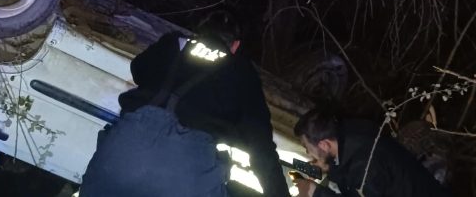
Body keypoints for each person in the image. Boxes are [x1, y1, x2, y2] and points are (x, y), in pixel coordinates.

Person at [80, 11, 290, 197]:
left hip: (117, 159)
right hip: (185, 175)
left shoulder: (174, 43)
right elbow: (261, 146)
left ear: (198, 33)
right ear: (235, 46)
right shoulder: (241, 71)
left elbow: (138, 69)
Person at [291, 108, 452, 197]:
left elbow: (359, 179)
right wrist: (329, 168)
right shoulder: (352, 135)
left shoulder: (366, 167)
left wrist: (314, 192)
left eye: (307, 147)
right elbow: (348, 171)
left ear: (324, 144)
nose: (307, 152)